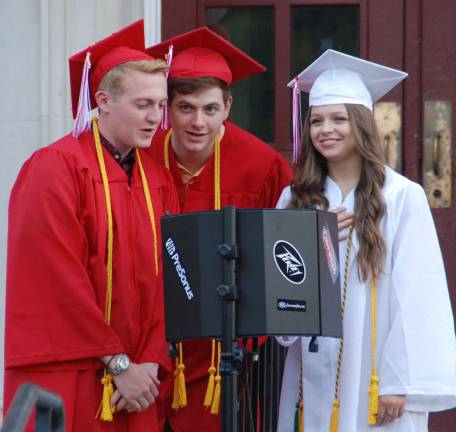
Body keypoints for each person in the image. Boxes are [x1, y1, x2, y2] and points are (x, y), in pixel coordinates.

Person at [276, 50, 456, 432]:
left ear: (361, 123)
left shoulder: (399, 196)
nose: (325, 129)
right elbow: (282, 305)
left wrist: (400, 382)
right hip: (313, 368)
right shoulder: (294, 199)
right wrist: (312, 250)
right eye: (316, 120)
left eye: (338, 119)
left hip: (378, 369)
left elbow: (418, 294)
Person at [3, 20, 179, 431]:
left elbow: (171, 276)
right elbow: (56, 278)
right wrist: (118, 363)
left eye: (160, 104)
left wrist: (150, 361)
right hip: (76, 376)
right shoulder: (56, 167)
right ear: (103, 101)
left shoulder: (156, 179)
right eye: (143, 105)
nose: (156, 117)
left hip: (138, 386)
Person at [145, 27, 293, 431]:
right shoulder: (143, 155)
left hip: (226, 343)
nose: (197, 122)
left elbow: (283, 246)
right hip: (150, 333)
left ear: (228, 106)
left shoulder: (261, 164)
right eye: (185, 108)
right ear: (167, 109)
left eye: (210, 109)